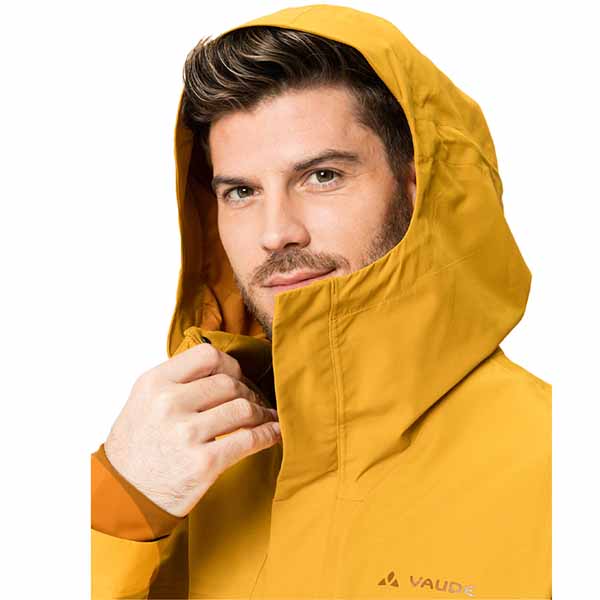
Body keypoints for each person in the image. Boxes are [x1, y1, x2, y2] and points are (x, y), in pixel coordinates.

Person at [91, 5, 551, 599]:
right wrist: (122, 508)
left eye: (322, 176)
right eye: (241, 191)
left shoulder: (559, 467)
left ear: (420, 187)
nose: (276, 233)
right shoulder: (171, 460)